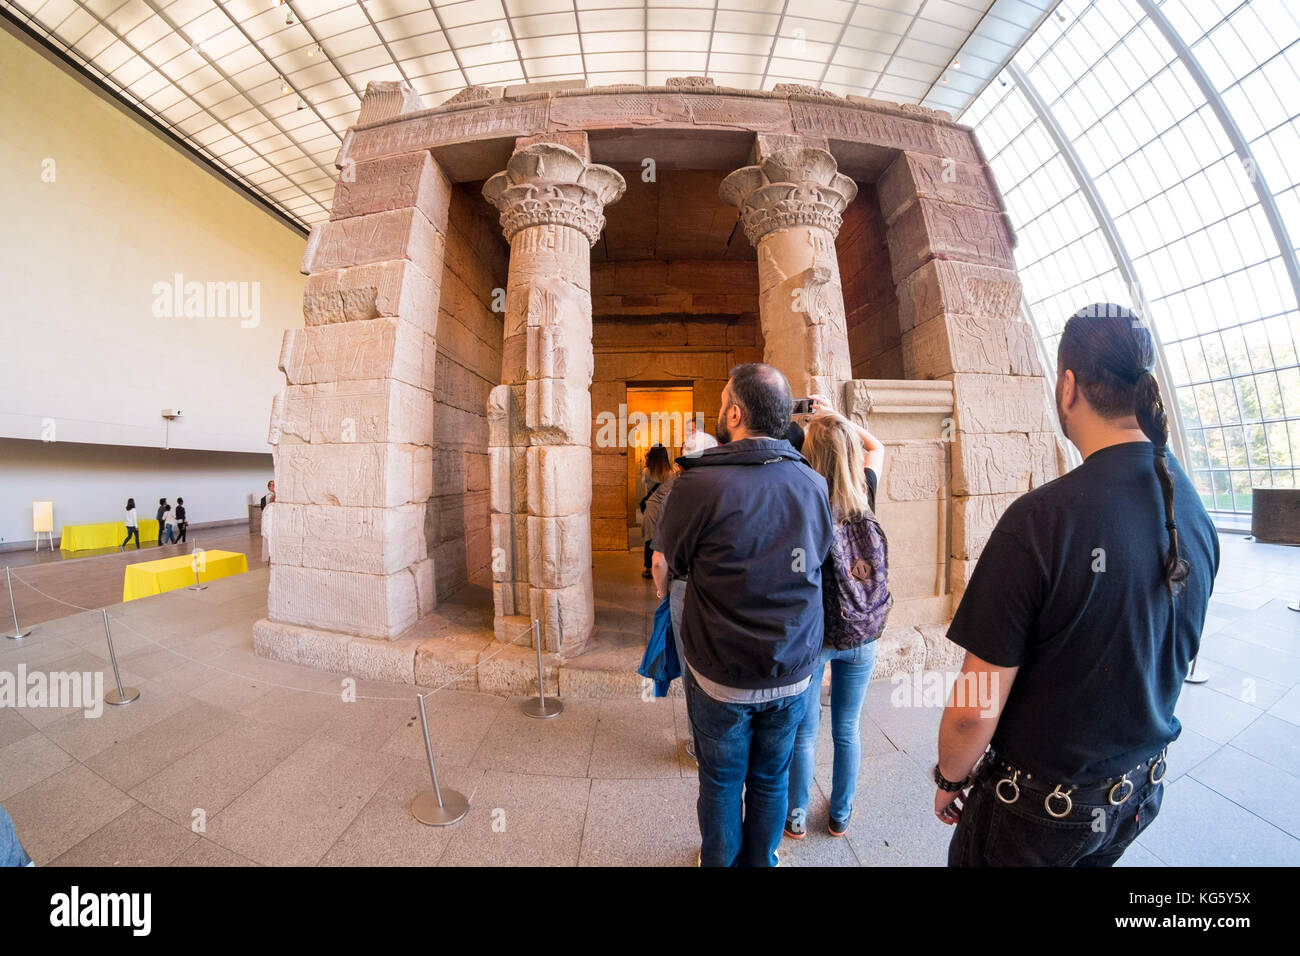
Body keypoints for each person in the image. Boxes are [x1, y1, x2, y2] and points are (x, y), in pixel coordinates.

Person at [933, 304, 1219, 867]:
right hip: (1137, 794)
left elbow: (974, 705)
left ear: (1067, 386)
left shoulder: (1039, 521)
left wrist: (949, 774)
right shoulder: (1192, 509)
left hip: (1039, 816)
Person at [655, 363, 834, 867]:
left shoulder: (698, 485)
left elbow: (670, 569)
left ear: (734, 412)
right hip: (793, 668)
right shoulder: (812, 483)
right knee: (770, 778)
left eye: (721, 401)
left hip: (721, 673)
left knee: (720, 780)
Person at [785, 402, 888, 840]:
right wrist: (837, 418)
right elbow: (877, 447)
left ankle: (795, 814)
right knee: (847, 727)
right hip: (864, 629)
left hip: (818, 632)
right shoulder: (864, 489)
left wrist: (809, 426)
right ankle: (840, 813)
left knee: (805, 731)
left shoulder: (803, 500)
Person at [651, 428, 720, 761]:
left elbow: (659, 560)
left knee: (691, 670)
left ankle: (699, 744)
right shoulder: (730, 487)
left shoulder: (673, 495)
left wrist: (662, 591)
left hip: (683, 588)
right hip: (723, 587)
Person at [638, 444, 673, 579]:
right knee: (665, 537)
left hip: (651, 507)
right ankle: (668, 567)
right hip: (666, 507)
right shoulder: (671, 474)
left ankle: (648, 567)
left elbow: (645, 485)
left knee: (650, 538)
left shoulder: (646, 472)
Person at [261, 480, 275, 563]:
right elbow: (269, 505)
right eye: (272, 485)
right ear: (269, 487)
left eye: (275, 485)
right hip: (270, 520)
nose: (274, 487)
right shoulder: (268, 496)